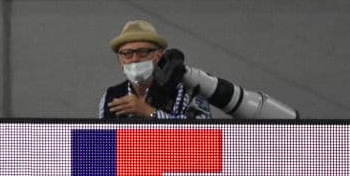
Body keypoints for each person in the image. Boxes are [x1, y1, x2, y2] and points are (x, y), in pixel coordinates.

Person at [100, 20, 299, 120]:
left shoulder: (188, 91)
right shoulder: (110, 97)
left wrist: (150, 113)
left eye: (143, 52)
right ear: (120, 60)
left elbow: (202, 139)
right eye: (127, 54)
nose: (134, 59)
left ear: (158, 56)